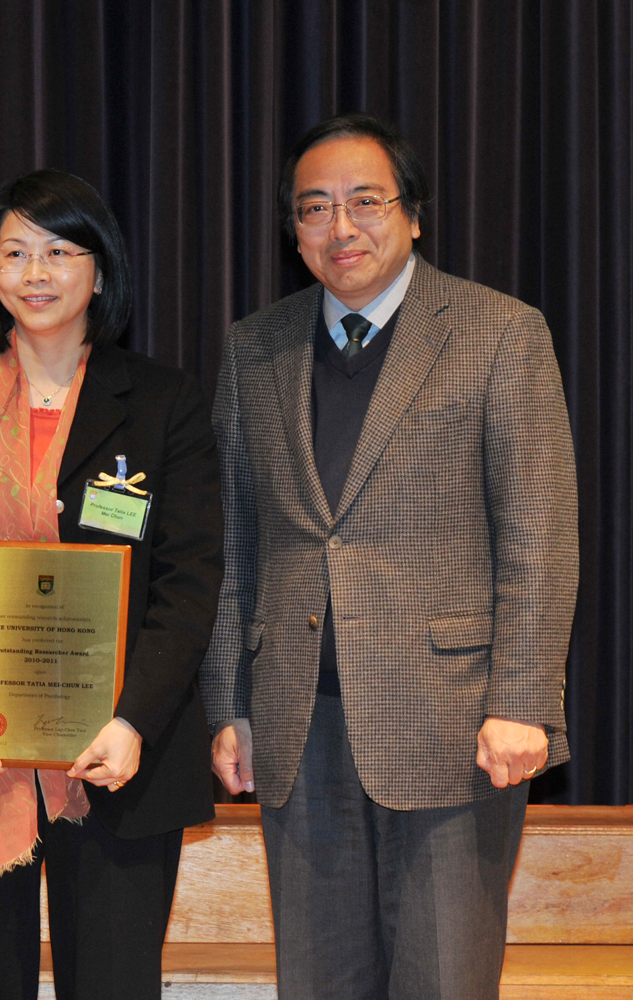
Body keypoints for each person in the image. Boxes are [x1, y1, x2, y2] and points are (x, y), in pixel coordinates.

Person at [202, 113, 579, 999]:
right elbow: (235, 541)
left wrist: (523, 700)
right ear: (294, 230)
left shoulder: (500, 332)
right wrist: (231, 703)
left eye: (365, 202)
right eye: (315, 208)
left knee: (444, 980)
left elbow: (539, 534)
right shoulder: (255, 347)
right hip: (298, 721)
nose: (341, 227)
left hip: (455, 726)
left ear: (412, 214)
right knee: (318, 983)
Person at [0, 169, 223, 1000]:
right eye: (13, 253)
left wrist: (133, 720)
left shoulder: (163, 402)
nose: (34, 273)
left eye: (59, 252)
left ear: (100, 271)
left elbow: (188, 581)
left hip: (115, 756)